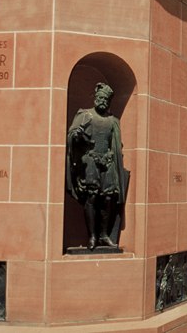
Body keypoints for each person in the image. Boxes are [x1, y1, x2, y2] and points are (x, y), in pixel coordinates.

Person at [66, 82, 129, 250]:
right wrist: (77, 136)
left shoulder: (112, 121)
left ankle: (103, 234)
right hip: (90, 162)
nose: (102, 101)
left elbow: (115, 145)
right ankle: (92, 236)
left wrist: (113, 157)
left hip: (107, 163)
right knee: (92, 197)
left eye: (105, 99)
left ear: (109, 102)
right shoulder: (85, 115)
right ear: (95, 98)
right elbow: (72, 135)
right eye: (100, 98)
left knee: (108, 198)